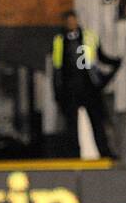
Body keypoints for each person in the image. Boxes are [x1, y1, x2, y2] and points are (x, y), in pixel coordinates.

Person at [51, 10, 120, 158]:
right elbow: (57, 67)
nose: (71, 23)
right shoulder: (59, 40)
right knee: (71, 125)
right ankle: (73, 154)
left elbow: (101, 57)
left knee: (97, 121)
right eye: (68, 21)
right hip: (70, 87)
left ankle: (105, 151)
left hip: (89, 86)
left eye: (73, 20)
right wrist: (57, 91)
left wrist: (116, 63)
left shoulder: (89, 36)